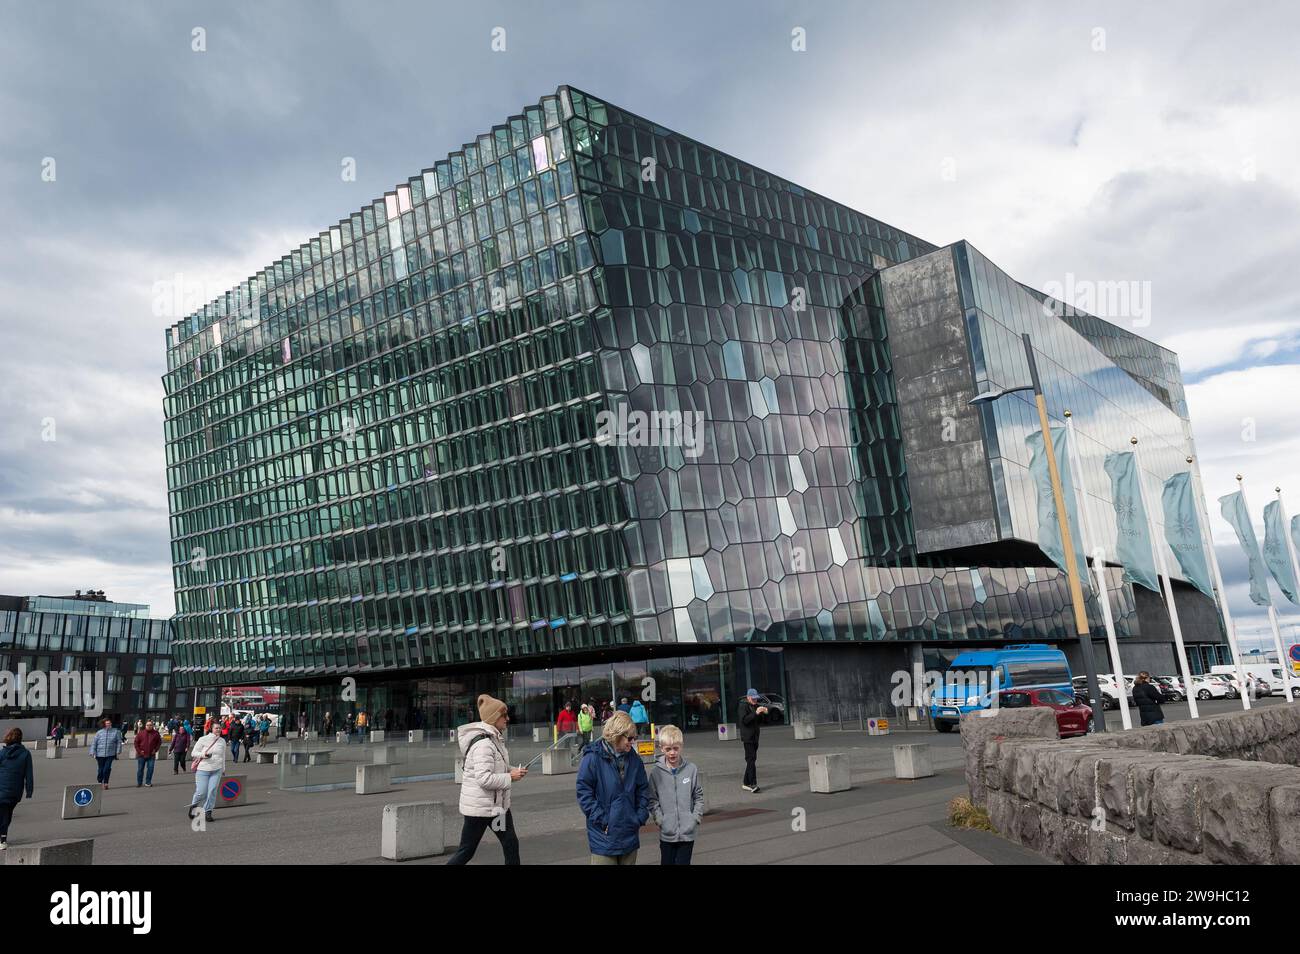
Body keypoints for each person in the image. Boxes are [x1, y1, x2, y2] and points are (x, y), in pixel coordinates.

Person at [446, 693, 526, 865]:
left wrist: (514, 771)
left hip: (495, 808)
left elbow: (498, 767)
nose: (508, 718)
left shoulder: (493, 739)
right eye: (504, 715)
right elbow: (484, 779)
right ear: (494, 718)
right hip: (481, 810)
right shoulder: (484, 745)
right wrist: (510, 776)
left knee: (510, 843)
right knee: (466, 851)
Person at [576, 710, 649, 865]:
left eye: (634, 738)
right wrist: (603, 820)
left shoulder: (635, 760)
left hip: (629, 833)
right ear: (617, 735)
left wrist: (639, 816)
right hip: (603, 838)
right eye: (629, 738)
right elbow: (584, 793)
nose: (632, 742)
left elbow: (643, 789)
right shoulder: (592, 758)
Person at [647, 725, 704, 865]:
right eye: (668, 749)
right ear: (661, 748)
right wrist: (660, 820)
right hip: (667, 833)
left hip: (687, 833)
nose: (672, 753)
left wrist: (695, 818)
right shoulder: (656, 773)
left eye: (676, 748)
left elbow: (698, 796)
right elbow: (652, 800)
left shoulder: (691, 769)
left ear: (681, 747)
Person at [0, 728, 34, 850]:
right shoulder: (25, 754)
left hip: (1, 789)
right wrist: (29, 791)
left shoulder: (2, 753)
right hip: (15, 792)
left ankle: (2, 839)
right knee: (7, 814)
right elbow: (29, 774)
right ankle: (2, 836)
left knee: (4, 814)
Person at [187, 723, 228, 824]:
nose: (218, 730)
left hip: (216, 769)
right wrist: (203, 754)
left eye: (219, 728)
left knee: (212, 791)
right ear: (211, 729)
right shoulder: (203, 739)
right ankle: (194, 805)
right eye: (216, 728)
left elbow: (223, 756)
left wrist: (223, 769)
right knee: (201, 791)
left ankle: (208, 811)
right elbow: (193, 753)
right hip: (203, 769)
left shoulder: (222, 741)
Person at [738, 689, 767, 793]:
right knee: (751, 759)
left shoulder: (755, 706)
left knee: (752, 760)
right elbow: (745, 720)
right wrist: (756, 713)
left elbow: (759, 721)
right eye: (753, 698)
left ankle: (746, 782)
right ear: (748, 697)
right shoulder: (743, 706)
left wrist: (762, 713)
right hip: (747, 737)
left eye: (756, 698)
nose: (755, 700)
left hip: (755, 737)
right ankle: (752, 783)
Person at [90, 718, 123, 787]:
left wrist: (118, 751)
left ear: (111, 724)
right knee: (100, 770)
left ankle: (106, 782)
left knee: (107, 768)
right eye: (107, 723)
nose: (108, 724)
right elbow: (94, 743)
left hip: (110, 754)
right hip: (99, 754)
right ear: (104, 724)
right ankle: (99, 781)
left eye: (109, 723)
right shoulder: (99, 732)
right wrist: (92, 751)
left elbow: (119, 742)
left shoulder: (116, 731)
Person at [134, 720, 162, 787]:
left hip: (151, 755)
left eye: (150, 725)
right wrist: (140, 751)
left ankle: (148, 782)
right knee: (140, 769)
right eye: (147, 725)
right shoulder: (141, 733)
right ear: (145, 726)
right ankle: (139, 782)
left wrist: (155, 750)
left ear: (152, 726)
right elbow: (136, 743)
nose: (149, 726)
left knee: (150, 768)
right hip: (141, 755)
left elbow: (159, 742)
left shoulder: (156, 733)